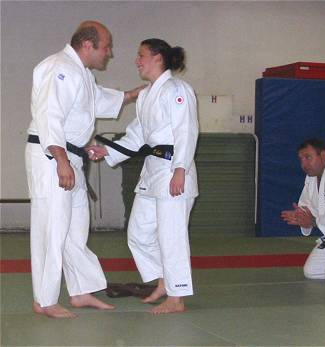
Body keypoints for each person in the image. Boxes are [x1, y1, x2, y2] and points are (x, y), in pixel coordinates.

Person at [25, 20, 144, 318]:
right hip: (51, 155)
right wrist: (61, 160)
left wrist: (131, 95)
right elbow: (49, 115)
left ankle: (80, 292)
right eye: (107, 47)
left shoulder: (81, 74)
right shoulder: (59, 67)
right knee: (51, 228)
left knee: (75, 229)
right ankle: (44, 299)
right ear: (88, 45)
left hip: (71, 156)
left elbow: (96, 102)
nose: (110, 53)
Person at [87, 38, 199, 314]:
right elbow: (137, 135)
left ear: (158, 58)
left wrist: (180, 170)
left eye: (141, 55)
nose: (137, 60)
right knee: (138, 233)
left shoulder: (177, 89)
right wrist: (108, 151)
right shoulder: (148, 94)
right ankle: (164, 281)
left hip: (174, 168)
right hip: (153, 171)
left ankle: (177, 296)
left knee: (171, 236)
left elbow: (186, 130)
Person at [281, 138, 325, 285]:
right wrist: (300, 216)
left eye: (308, 157)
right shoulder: (312, 176)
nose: (303, 164)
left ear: (322, 155)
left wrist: (313, 221)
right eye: (301, 159)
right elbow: (307, 206)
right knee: (312, 271)